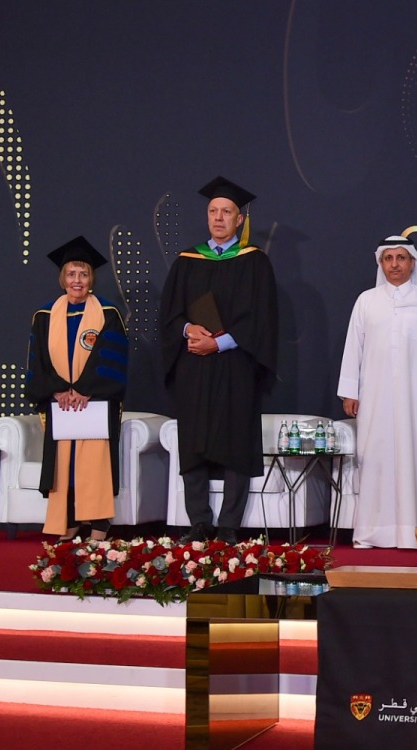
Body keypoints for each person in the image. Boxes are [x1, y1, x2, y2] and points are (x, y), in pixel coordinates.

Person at [159, 177, 278, 545]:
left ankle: (229, 525)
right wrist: (188, 329)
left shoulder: (254, 262)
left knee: (235, 440)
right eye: (213, 211)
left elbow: (261, 319)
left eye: (226, 212)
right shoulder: (187, 261)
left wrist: (220, 343)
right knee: (193, 440)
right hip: (193, 364)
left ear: (240, 219)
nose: (219, 217)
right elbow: (169, 314)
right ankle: (198, 521)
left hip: (235, 365)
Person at [337, 235, 417, 549]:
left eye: (401, 258)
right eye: (388, 258)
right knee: (376, 459)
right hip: (374, 397)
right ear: (381, 263)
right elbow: (354, 347)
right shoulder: (367, 300)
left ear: (412, 262)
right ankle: (374, 531)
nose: (395, 264)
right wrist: (350, 392)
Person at [25, 237, 128, 542]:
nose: (77, 280)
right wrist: (58, 390)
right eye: (71, 274)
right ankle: (69, 520)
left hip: (94, 402)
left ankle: (99, 522)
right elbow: (38, 360)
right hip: (60, 404)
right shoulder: (44, 315)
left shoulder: (108, 313)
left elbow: (111, 358)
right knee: (64, 465)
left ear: (91, 278)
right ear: (63, 278)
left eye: (83, 274)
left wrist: (84, 389)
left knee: (94, 462)